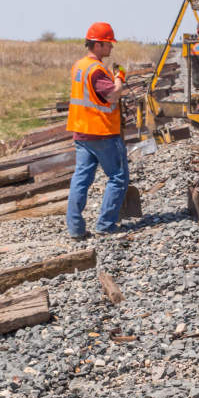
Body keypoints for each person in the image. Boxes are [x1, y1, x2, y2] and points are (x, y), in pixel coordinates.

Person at [66, 22, 129, 239]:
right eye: (109, 44)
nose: (111, 48)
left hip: (81, 132)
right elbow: (112, 94)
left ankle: (75, 228)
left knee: (81, 178)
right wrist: (120, 77)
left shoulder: (79, 65)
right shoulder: (97, 70)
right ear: (99, 44)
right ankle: (106, 225)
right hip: (102, 132)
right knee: (118, 177)